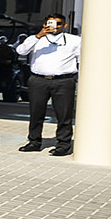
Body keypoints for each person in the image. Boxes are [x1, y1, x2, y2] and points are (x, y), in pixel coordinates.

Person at [16, 13, 79, 155]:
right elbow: (21, 51)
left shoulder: (74, 40)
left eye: (58, 24)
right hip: (38, 80)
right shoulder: (35, 39)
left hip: (63, 81)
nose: (54, 27)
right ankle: (34, 141)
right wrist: (38, 36)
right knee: (36, 113)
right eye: (50, 23)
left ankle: (63, 144)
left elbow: (82, 60)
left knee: (64, 114)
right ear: (45, 25)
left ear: (64, 25)